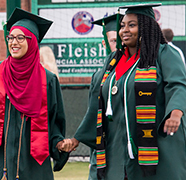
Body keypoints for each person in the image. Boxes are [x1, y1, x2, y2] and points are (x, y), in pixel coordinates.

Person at [67, 3, 186, 180]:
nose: (124, 30)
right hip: (118, 146)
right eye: (122, 26)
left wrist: (175, 113)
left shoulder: (163, 54)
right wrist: (77, 138)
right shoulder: (114, 61)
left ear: (146, 26)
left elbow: (178, 85)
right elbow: (98, 104)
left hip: (154, 142)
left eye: (132, 25)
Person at [0, 8, 71, 180]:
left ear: (32, 41)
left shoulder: (47, 80)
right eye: (11, 37)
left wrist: (58, 143)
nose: (13, 42)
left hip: (32, 159)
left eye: (20, 38)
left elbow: (54, 121)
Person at [86, 13, 123, 180]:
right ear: (104, 43)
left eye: (121, 39)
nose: (120, 44)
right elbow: (94, 116)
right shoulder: (99, 76)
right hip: (104, 149)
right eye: (114, 41)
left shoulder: (142, 72)